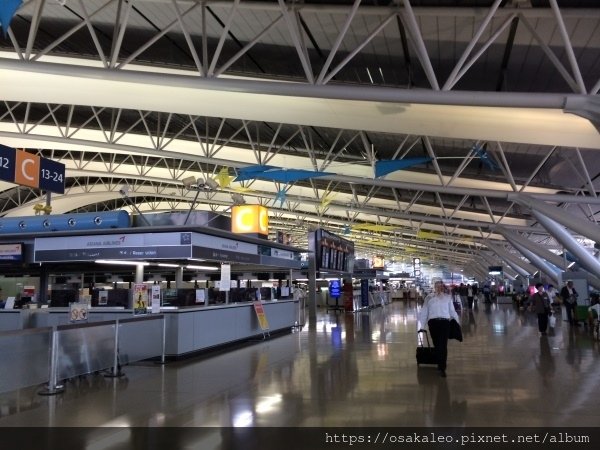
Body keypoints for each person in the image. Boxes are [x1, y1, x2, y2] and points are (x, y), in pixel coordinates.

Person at [418, 280, 460, 378]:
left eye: (440, 286)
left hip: (445, 323)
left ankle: (442, 367)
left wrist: (457, 323)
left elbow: (452, 311)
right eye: (437, 286)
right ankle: (439, 362)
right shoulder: (429, 298)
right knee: (437, 344)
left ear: (443, 287)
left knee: (443, 345)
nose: (439, 288)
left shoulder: (447, 298)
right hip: (433, 323)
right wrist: (422, 326)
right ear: (434, 287)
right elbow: (424, 312)